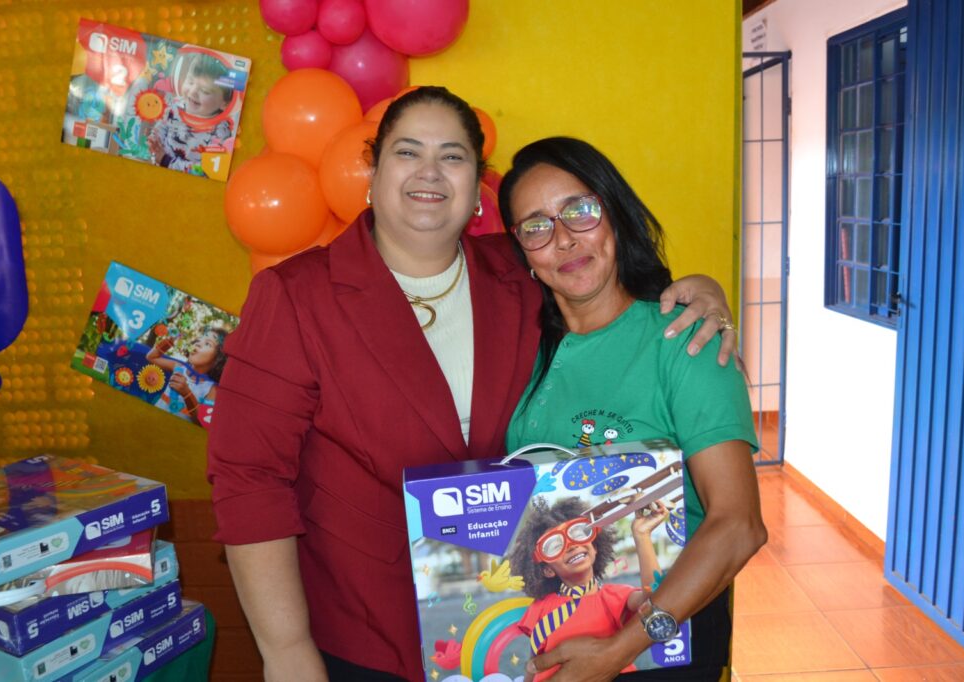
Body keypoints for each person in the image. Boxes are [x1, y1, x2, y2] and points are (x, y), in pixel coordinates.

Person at [206, 86, 740, 682]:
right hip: (368, 637)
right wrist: (286, 650)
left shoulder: (519, 271)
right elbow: (249, 479)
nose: (430, 171)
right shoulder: (296, 295)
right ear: (373, 171)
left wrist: (702, 292)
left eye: (453, 156)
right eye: (408, 152)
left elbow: (610, 289)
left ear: (476, 185)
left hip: (510, 632)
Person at [500, 136, 767, 681]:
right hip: (561, 646)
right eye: (536, 226)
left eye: (580, 211)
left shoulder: (686, 340)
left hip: (664, 642)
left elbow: (739, 526)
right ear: (522, 250)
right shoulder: (521, 345)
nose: (563, 239)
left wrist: (616, 651)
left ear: (614, 214)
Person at [510, 496, 668, 680]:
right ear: (547, 570)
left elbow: (656, 600)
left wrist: (642, 535)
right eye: (554, 546)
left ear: (595, 546)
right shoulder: (540, 608)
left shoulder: (616, 597)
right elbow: (534, 663)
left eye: (578, 533)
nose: (571, 545)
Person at [148, 53, 234, 173]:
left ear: (225, 103)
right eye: (190, 82)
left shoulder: (220, 131)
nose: (193, 92)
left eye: (205, 91)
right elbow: (161, 128)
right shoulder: (176, 106)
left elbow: (206, 170)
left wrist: (166, 161)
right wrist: (153, 143)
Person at [147, 327, 227, 425]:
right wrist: (169, 341)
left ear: (218, 358)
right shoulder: (178, 367)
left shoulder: (212, 390)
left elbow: (202, 422)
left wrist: (187, 394)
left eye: (207, 344)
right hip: (152, 422)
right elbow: (151, 357)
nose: (198, 343)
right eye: (199, 340)